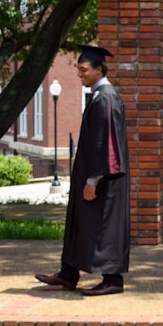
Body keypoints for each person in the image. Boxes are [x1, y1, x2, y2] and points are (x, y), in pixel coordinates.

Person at [36, 45, 130, 296]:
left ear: (99, 69)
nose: (80, 74)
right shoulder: (99, 96)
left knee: (103, 226)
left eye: (84, 70)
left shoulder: (107, 98)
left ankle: (113, 279)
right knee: (80, 223)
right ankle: (68, 274)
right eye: (78, 70)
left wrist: (93, 180)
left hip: (103, 182)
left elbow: (106, 144)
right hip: (90, 178)